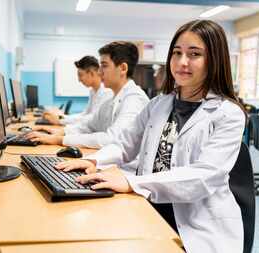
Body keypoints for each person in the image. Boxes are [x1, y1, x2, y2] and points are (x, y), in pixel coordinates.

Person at [56, 20, 246, 253]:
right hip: (150, 206)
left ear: (214, 60)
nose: (182, 62)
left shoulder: (228, 114)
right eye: (177, 53)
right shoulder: (159, 103)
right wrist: (94, 160)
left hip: (197, 225)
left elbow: (202, 177)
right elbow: (125, 144)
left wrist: (131, 182)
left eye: (194, 54)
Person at [27, 41, 150, 149]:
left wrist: (60, 139)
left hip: (124, 171)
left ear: (123, 68)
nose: (99, 72)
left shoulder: (134, 99)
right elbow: (88, 125)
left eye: (104, 66)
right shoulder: (112, 99)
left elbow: (111, 139)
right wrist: (59, 132)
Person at [41, 56, 113, 126]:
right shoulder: (93, 91)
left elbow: (92, 119)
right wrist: (61, 117)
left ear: (92, 73)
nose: (79, 80)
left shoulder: (106, 92)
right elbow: (84, 114)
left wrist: (60, 121)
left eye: (80, 75)